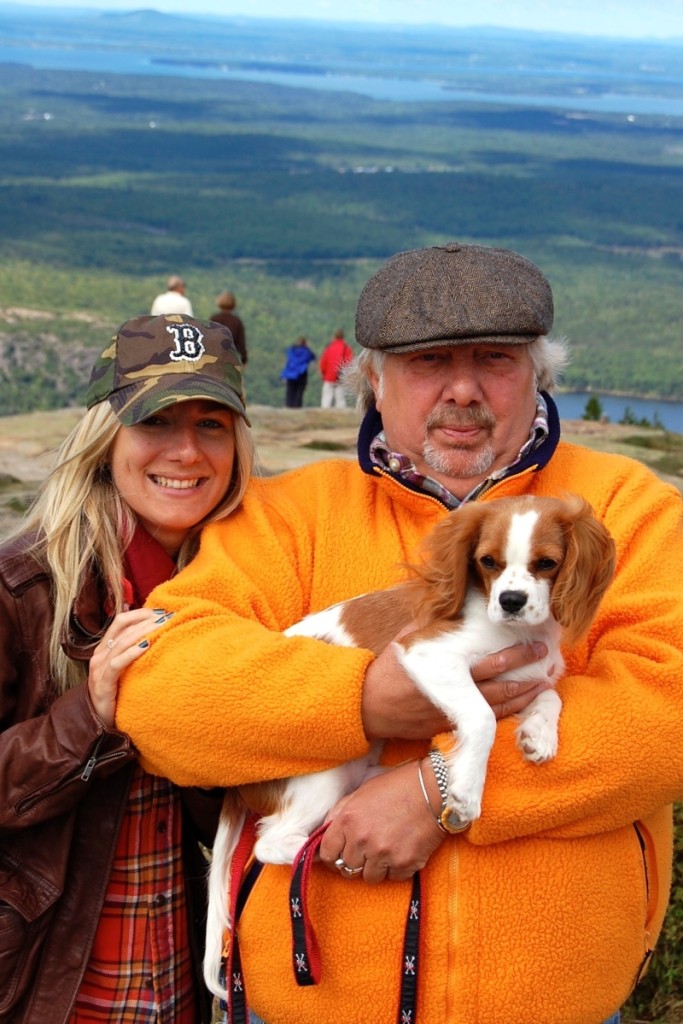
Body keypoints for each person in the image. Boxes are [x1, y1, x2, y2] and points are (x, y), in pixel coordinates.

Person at [117, 242, 683, 1024]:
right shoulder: (290, 514)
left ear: (538, 373)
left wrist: (439, 791)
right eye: (426, 363)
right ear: (372, 381)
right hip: (310, 999)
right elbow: (163, 691)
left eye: (494, 358)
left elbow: (668, 709)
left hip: (555, 1003)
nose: (462, 389)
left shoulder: (627, 507)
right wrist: (365, 700)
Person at [0, 313, 253, 1022]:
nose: (186, 451)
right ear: (105, 437)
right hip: (47, 986)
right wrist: (90, 718)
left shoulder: (242, 593)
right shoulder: (21, 588)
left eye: (211, 424)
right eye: (156, 422)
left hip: (175, 983)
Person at [210, 291, 248, 366]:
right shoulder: (236, 321)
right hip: (230, 358)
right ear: (233, 304)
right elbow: (241, 343)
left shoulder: (214, 319)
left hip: (215, 357)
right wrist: (244, 359)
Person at [319, 328, 353, 408]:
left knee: (326, 400)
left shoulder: (329, 348)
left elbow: (323, 363)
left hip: (328, 377)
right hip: (340, 377)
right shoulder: (346, 348)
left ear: (334, 336)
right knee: (340, 400)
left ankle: (324, 416)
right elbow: (349, 363)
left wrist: (324, 374)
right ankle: (341, 418)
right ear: (343, 337)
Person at [280, 336, 316, 408]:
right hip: (301, 374)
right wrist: (308, 347)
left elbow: (288, 357)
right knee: (299, 392)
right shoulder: (306, 352)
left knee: (290, 391)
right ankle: (297, 407)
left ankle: (288, 406)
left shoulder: (291, 351)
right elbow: (312, 356)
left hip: (290, 374)